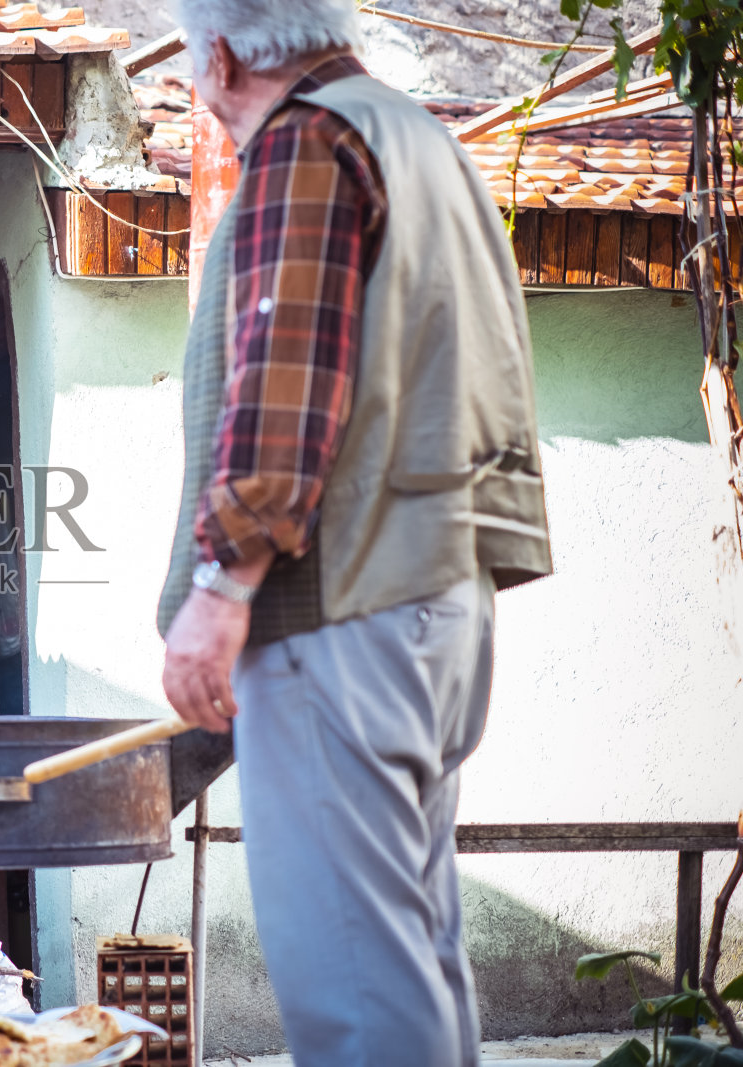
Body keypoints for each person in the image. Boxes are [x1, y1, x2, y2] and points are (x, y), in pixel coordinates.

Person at [156, 3, 553, 1065]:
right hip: (437, 599)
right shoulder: (421, 137)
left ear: (226, 56)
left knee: (352, 989)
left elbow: (286, 373)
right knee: (410, 958)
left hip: (339, 604)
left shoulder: (307, 136)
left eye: (197, 76)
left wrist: (219, 588)